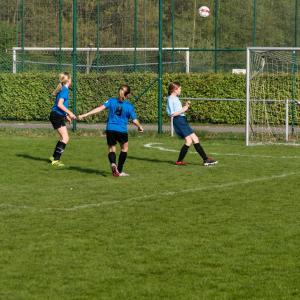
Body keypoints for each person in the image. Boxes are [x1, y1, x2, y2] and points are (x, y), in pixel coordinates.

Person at [78, 84, 143, 177]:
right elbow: (134, 120)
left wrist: (85, 115)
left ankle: (113, 164)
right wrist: (139, 126)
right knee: (124, 149)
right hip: (122, 130)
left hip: (110, 129)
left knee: (112, 149)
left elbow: (99, 109)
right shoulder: (129, 106)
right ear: (128, 95)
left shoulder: (111, 101)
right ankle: (119, 171)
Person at [167, 82, 218, 166]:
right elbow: (172, 114)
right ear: (174, 90)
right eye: (179, 89)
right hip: (178, 120)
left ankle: (180, 161)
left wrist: (185, 106)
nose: (180, 90)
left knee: (191, 140)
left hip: (182, 119)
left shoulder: (175, 98)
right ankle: (205, 160)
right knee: (192, 139)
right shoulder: (171, 98)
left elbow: (179, 110)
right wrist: (184, 108)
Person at [49, 72, 76, 167]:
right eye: (71, 79)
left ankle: (53, 157)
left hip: (57, 115)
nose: (71, 80)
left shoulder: (63, 89)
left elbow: (60, 106)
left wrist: (66, 116)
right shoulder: (64, 90)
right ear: (68, 80)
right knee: (65, 138)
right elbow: (59, 105)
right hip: (56, 116)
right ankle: (56, 160)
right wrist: (70, 113)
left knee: (63, 138)